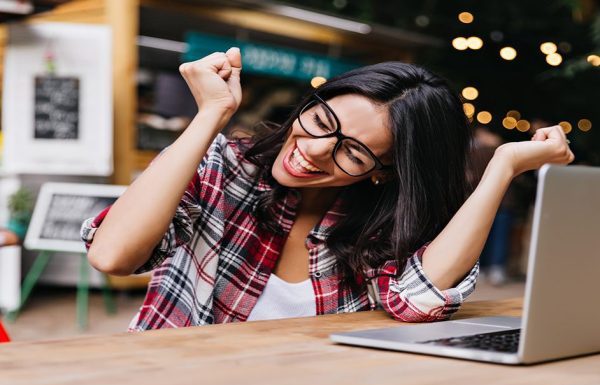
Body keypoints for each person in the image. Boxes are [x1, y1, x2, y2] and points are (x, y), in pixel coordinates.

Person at [81, 48, 574, 331]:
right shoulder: (227, 167)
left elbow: (417, 301)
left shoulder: (379, 222)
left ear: (381, 171)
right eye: (320, 120)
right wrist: (211, 116)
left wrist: (504, 166)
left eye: (353, 152)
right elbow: (113, 255)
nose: (315, 150)